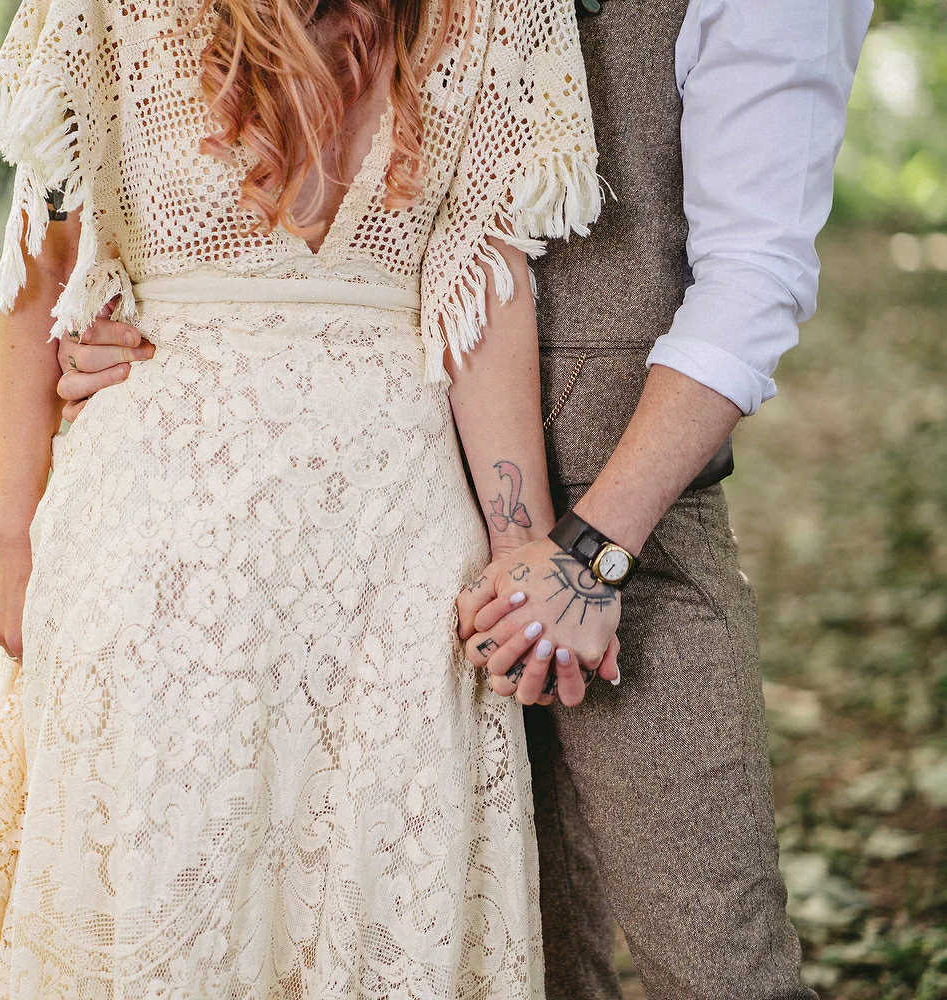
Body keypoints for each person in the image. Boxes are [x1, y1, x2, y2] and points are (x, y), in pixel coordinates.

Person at [56, 0, 874, 997]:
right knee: (499, 956)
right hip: (384, 545)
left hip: (619, 533)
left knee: (714, 953)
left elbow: (757, 282)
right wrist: (137, 320)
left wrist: (587, 553)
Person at [0, 0, 612, 996]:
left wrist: (524, 543)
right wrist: (7, 535)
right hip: (156, 550)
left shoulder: (495, 11)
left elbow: (485, 273)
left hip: (394, 559)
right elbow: (42, 250)